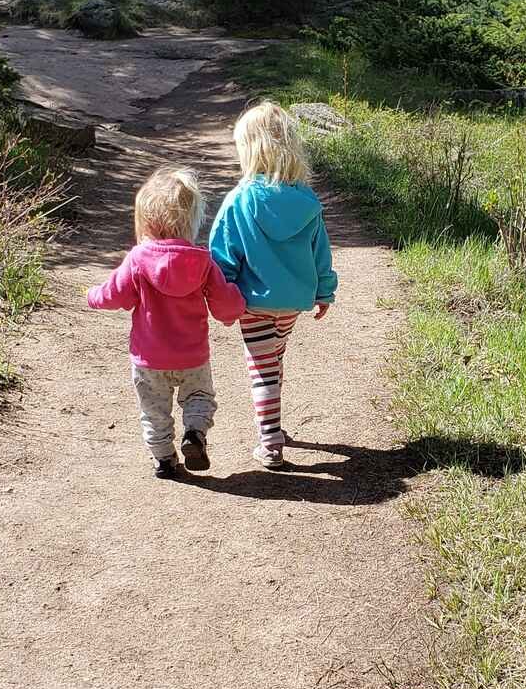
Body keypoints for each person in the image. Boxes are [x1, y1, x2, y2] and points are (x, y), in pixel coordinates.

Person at [88, 166, 246, 479]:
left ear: (144, 220)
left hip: (149, 358)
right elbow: (225, 304)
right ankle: (194, 433)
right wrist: (237, 307)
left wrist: (93, 295)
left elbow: (114, 295)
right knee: (200, 399)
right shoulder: (202, 260)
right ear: (191, 220)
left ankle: (164, 459)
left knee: (154, 412)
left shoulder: (137, 259)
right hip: (192, 357)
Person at [209, 102, 338, 469]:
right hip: (293, 302)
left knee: (261, 367)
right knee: (275, 357)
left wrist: (221, 296)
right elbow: (321, 253)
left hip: (254, 302)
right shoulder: (307, 201)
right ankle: (276, 426)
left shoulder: (239, 200)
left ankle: (269, 441)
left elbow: (222, 254)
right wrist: (324, 291)